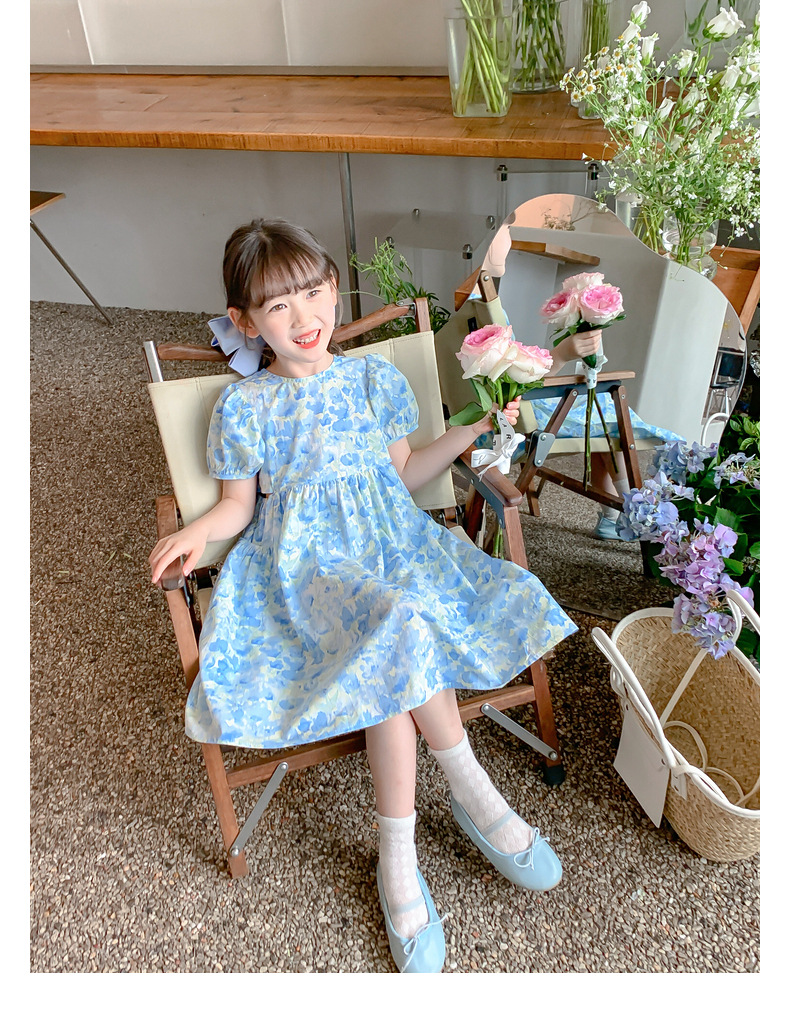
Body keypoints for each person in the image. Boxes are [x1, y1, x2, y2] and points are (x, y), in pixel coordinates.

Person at [149, 218, 581, 974]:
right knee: (398, 622)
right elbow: (238, 507)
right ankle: (472, 796)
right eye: (279, 306)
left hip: (392, 547)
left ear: (332, 289)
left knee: (396, 627)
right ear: (246, 322)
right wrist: (197, 531)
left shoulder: (373, 380)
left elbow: (404, 476)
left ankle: (398, 858)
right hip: (308, 570)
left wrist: (474, 428)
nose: (305, 317)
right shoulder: (247, 405)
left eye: (314, 292)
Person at [476, 220, 683, 540]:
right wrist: (562, 354)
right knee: (612, 412)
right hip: (520, 420)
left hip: (495, 413)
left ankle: (613, 515)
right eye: (506, 230)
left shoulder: (474, 306)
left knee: (601, 414)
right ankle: (634, 511)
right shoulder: (491, 310)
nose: (510, 238)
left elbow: (507, 373)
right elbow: (518, 380)